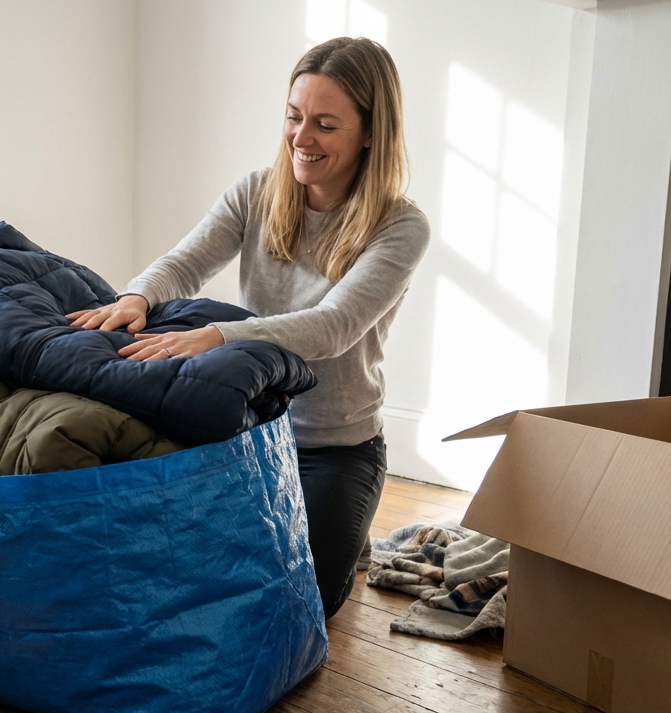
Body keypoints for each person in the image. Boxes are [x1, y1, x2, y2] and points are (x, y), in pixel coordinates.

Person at [66, 37, 430, 618]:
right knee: (193, 572)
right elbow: (184, 263)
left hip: (338, 447)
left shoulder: (402, 225)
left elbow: (334, 327)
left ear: (369, 132)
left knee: (302, 601)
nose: (301, 139)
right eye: (293, 117)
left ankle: (344, 526)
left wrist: (219, 335)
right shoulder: (257, 191)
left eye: (325, 125)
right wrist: (137, 296)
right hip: (251, 430)